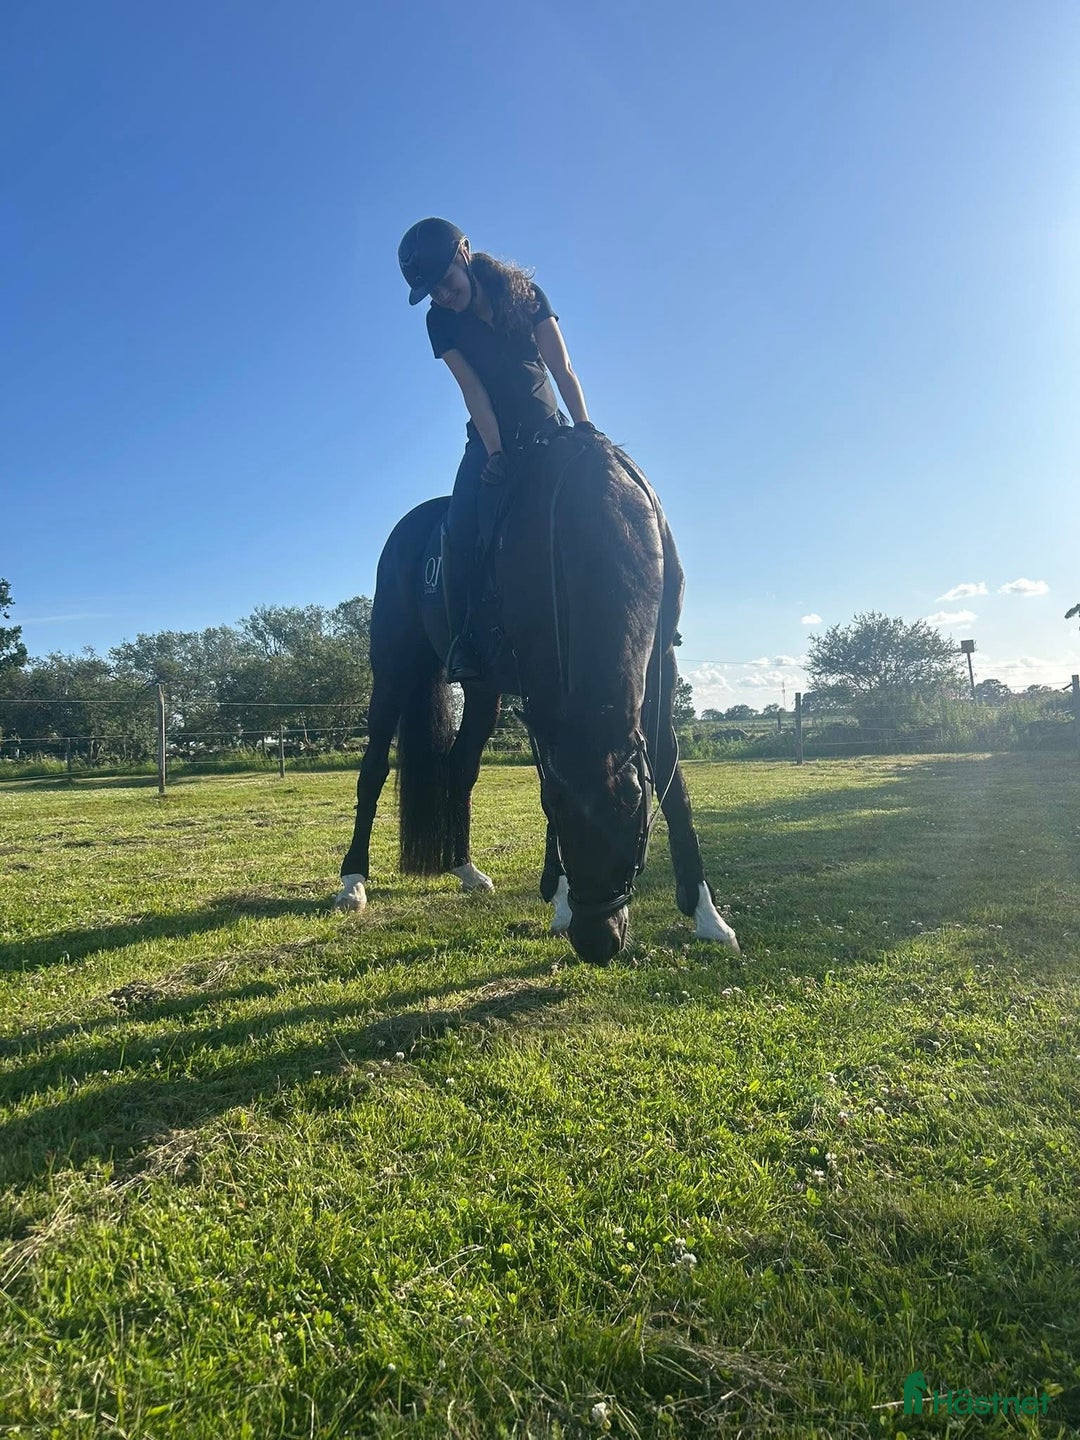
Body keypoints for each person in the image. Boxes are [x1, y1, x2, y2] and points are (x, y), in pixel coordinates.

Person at [398, 217, 597, 681]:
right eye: (433, 292)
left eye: (445, 280)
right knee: (459, 527)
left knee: (599, 501)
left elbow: (562, 367)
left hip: (548, 431)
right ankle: (463, 638)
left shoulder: (525, 294)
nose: (443, 295)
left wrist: (584, 427)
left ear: (464, 254)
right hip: (490, 442)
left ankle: (639, 610)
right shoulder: (439, 322)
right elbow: (473, 391)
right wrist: (494, 453)